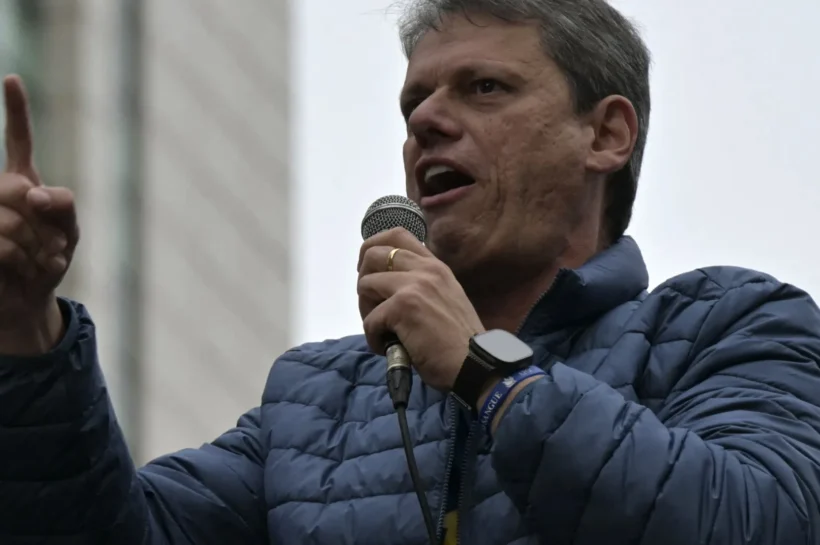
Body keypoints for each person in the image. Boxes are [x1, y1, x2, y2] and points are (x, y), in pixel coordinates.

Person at [1, 0, 820, 544]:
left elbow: (758, 519)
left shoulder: (730, 325)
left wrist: (488, 374)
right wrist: (30, 332)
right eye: (414, 104)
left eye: (485, 88)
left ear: (605, 135)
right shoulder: (313, 405)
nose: (427, 119)